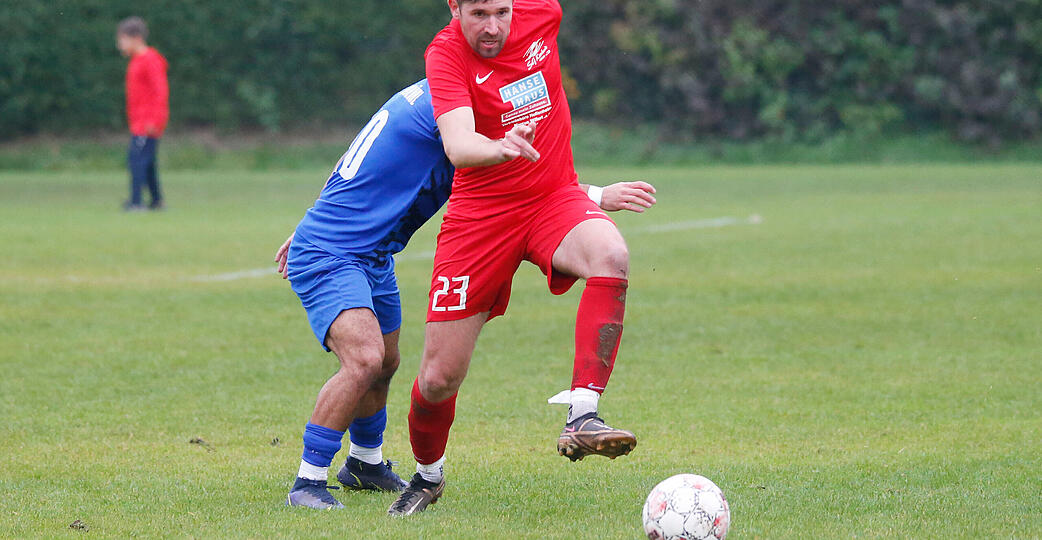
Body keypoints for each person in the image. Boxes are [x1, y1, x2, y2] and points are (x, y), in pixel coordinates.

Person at [276, 79, 656, 510]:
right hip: (333, 253)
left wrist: (315, 219)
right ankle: (307, 482)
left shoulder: (434, 94)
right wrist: (596, 194)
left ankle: (365, 463)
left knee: (386, 362)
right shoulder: (453, 103)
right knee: (363, 359)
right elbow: (508, 174)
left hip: (370, 252)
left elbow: (359, 158)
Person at [388, 0, 653, 516]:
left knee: (611, 253)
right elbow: (460, 146)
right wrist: (501, 147)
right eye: (479, 13)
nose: (492, 27)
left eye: (502, 12)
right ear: (455, 8)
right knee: (440, 377)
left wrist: (591, 194)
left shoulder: (543, 12)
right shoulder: (445, 54)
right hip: (481, 217)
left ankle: (582, 415)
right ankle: (427, 475)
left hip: (553, 197)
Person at [116, 16, 168, 212]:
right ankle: (157, 201)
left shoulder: (150, 59)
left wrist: (155, 119)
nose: (120, 44)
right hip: (139, 120)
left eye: (123, 39)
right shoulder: (137, 60)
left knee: (136, 160)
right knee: (148, 162)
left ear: (136, 38)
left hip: (147, 122)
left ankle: (136, 202)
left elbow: (160, 91)